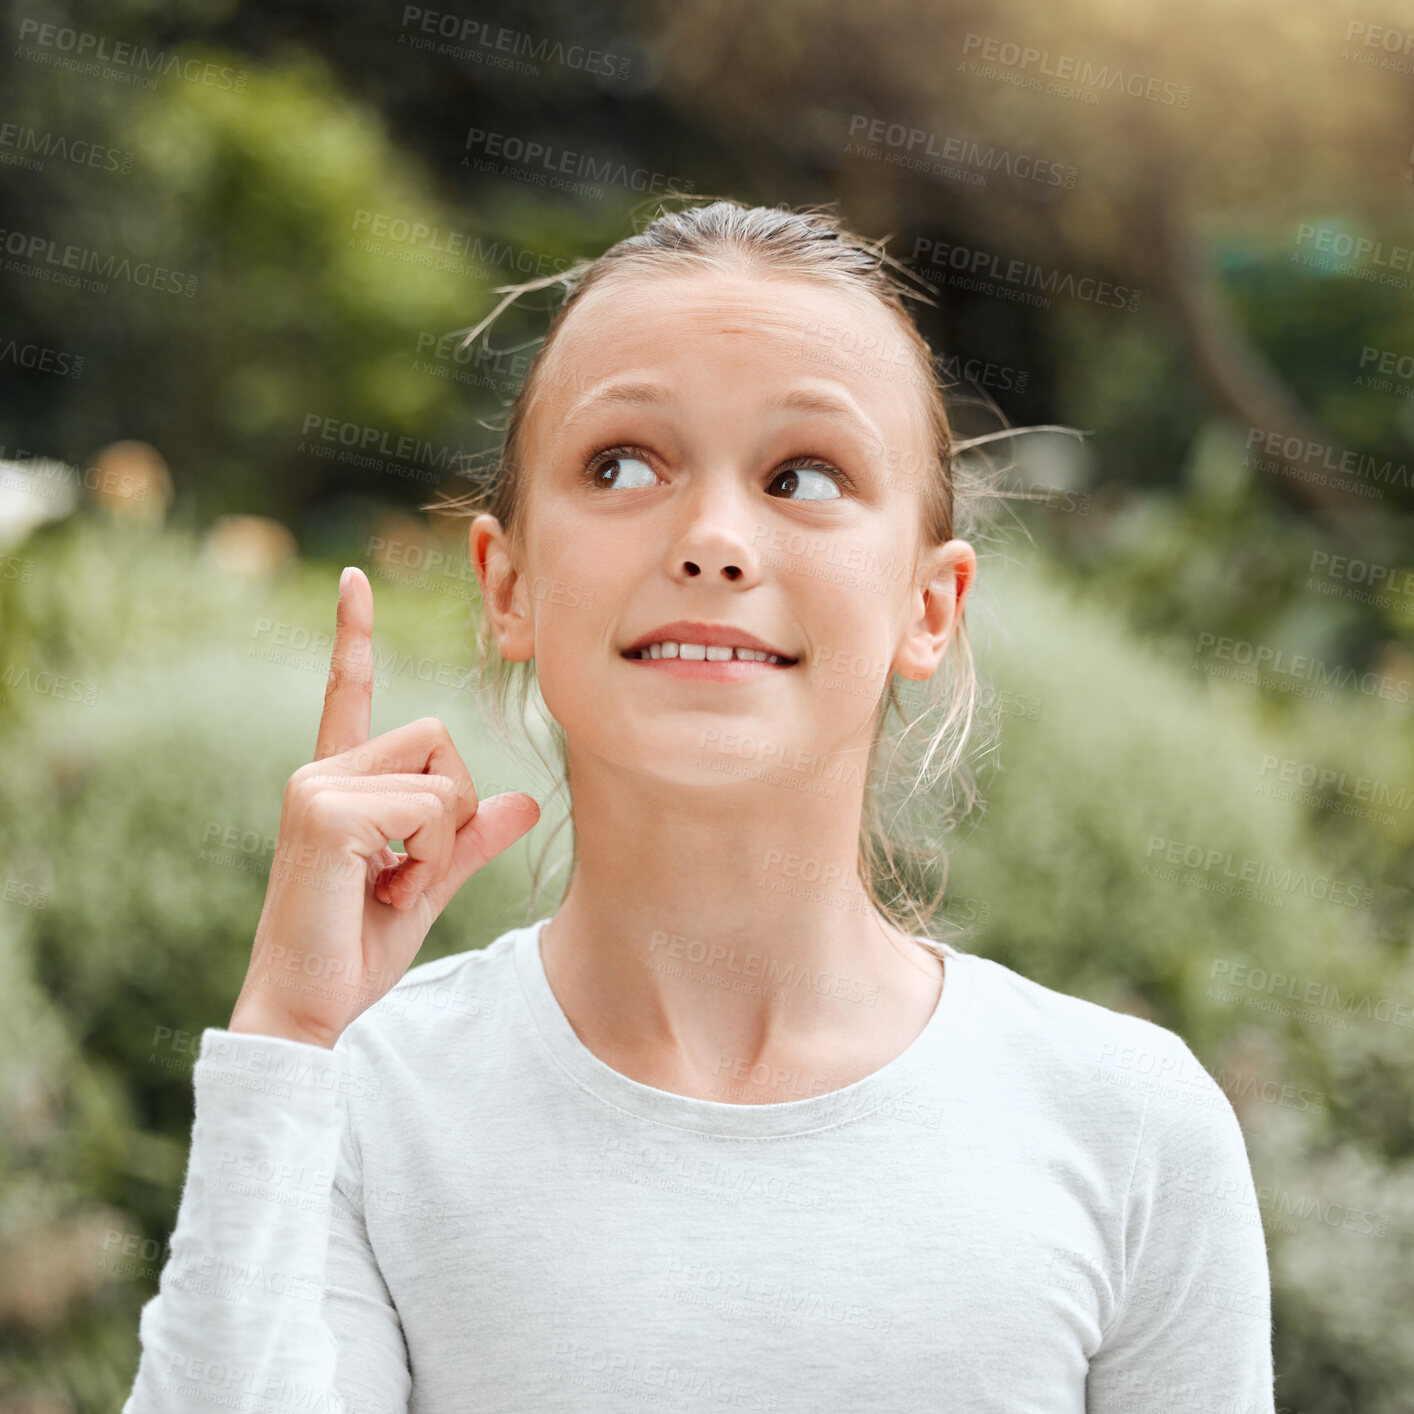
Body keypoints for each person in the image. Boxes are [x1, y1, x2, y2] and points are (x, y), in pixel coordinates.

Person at [122, 198, 1276, 1413]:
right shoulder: (357, 1104)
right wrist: (288, 1039)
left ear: (929, 608)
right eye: (621, 464)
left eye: (805, 474)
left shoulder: (1131, 1127)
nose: (715, 541)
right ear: (505, 584)